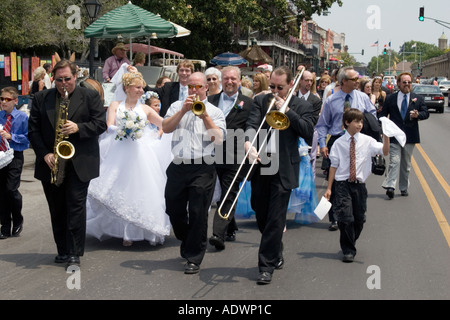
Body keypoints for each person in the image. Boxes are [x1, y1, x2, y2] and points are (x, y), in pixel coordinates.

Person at [28, 59, 107, 267]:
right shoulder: (41, 98)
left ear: (75, 77)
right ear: (53, 78)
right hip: (51, 161)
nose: (63, 83)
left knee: (75, 206)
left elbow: (100, 124)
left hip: (80, 161)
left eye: (68, 79)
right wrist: (44, 153)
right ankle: (62, 250)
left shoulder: (89, 95)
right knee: (57, 208)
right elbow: (33, 130)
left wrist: (79, 128)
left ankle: (74, 252)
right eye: (59, 79)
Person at [245, 66, 315, 285]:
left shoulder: (302, 105)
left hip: (283, 168)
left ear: (290, 85)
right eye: (272, 86)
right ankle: (275, 248)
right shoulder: (261, 101)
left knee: (276, 218)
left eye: (280, 87)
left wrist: (287, 111)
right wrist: (248, 142)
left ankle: (265, 267)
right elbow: (251, 125)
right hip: (261, 165)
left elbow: (308, 132)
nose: (275, 91)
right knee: (261, 213)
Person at [86, 72, 172, 246]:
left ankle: (135, 231)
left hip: (141, 153)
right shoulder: (115, 105)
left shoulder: (146, 109)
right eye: (137, 87)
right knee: (119, 188)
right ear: (126, 88)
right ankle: (120, 230)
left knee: (140, 189)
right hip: (119, 150)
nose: (141, 90)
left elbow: (164, 124)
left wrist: (165, 129)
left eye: (142, 87)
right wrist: (121, 129)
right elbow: (108, 125)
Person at [162, 72, 226, 275]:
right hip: (179, 164)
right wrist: (183, 111)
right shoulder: (176, 106)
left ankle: (194, 257)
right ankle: (189, 239)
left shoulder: (215, 111)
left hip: (203, 166)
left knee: (198, 213)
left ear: (206, 87)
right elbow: (166, 127)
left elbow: (218, 139)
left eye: (198, 87)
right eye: (191, 87)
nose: (194, 91)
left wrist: (204, 115)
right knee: (173, 209)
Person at [316, 66, 377, 231]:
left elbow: (372, 117)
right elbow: (322, 125)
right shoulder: (331, 100)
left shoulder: (363, 98)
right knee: (333, 180)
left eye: (358, 79)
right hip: (337, 140)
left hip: (356, 142)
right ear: (344, 81)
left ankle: (353, 213)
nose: (358, 82)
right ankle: (333, 218)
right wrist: (322, 144)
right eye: (354, 79)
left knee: (352, 179)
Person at [324, 108, 389, 262]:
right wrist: (328, 188)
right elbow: (333, 166)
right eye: (356, 121)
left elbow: (384, 151)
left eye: (361, 121)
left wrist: (386, 136)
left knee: (359, 219)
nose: (360, 124)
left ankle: (350, 240)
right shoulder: (338, 143)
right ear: (347, 122)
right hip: (342, 185)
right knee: (346, 218)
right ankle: (348, 250)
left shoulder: (367, 141)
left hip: (359, 185)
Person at [207, 66, 253, 250]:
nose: (229, 82)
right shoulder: (209, 101)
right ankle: (231, 226)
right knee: (214, 191)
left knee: (228, 193)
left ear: (239, 81)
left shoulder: (248, 104)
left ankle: (218, 233)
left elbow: (251, 127)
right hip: (211, 154)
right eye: (226, 78)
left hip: (235, 156)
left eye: (233, 79)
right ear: (220, 80)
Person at [379, 72, 429, 199]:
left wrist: (418, 115)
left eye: (409, 82)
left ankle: (403, 187)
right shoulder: (391, 98)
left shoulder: (417, 98)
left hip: (410, 136)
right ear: (398, 83)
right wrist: (383, 129)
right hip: (395, 135)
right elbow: (383, 115)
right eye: (404, 82)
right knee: (394, 161)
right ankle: (390, 186)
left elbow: (426, 113)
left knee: (406, 164)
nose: (407, 84)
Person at [0, 87, 29, 239]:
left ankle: (17, 219)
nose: (3, 102)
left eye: (7, 99)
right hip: (1, 156)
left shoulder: (22, 118)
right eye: (1, 99)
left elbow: (28, 138)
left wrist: (11, 136)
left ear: (15, 101)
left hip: (15, 155)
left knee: (11, 189)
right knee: (2, 193)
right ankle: (4, 226)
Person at [296, 70, 322, 178]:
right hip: (291, 137)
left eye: (311, 81)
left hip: (307, 136)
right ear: (300, 81)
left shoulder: (315, 100)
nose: (309, 83)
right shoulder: (291, 97)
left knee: (309, 162)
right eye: (306, 80)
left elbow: (312, 121)